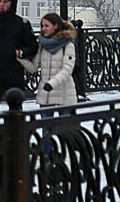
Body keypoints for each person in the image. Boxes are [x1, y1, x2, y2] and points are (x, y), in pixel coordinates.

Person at [18, 13, 78, 155]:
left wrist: (51, 83)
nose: (43, 29)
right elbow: (34, 67)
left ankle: (80, 151)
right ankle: (47, 156)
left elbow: (67, 70)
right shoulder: (43, 45)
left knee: (67, 128)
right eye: (42, 26)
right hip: (46, 93)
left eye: (47, 26)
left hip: (64, 92)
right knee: (46, 129)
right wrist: (19, 58)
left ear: (56, 26)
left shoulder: (67, 45)